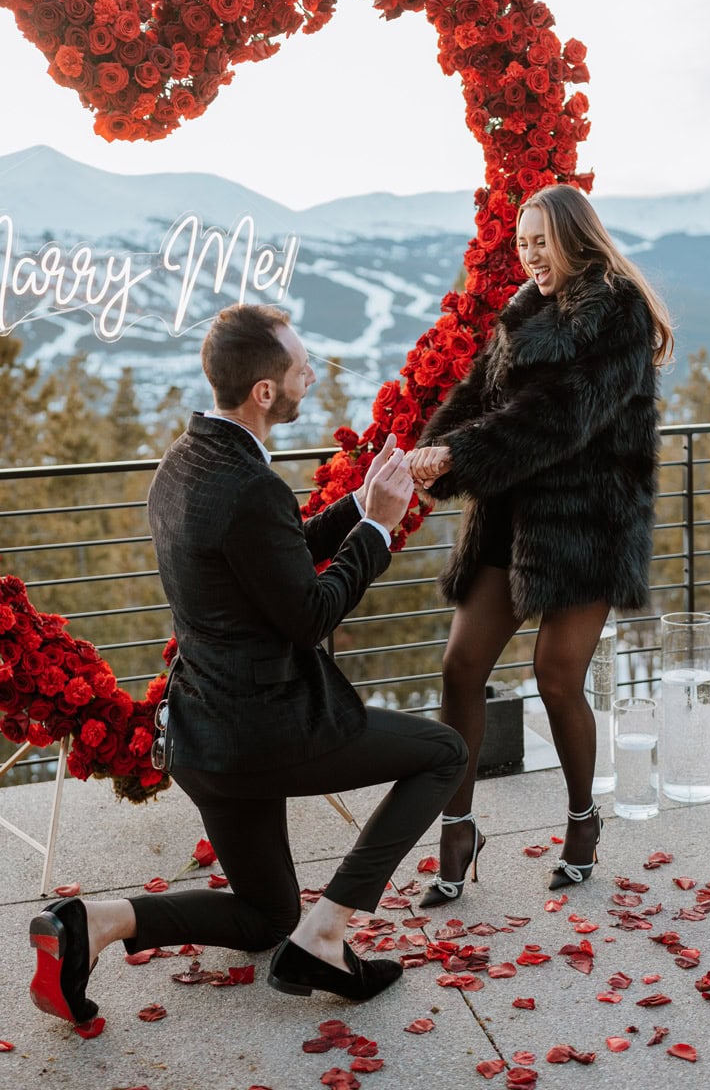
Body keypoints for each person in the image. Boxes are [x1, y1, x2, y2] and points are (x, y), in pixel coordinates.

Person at [29, 304, 468, 1023]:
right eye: (301, 368)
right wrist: (381, 529)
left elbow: (271, 556)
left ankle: (94, 922)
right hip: (266, 732)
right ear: (266, 392)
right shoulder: (252, 485)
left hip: (204, 735)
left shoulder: (185, 460)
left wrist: (361, 500)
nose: (312, 376)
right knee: (444, 753)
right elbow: (309, 615)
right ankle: (325, 937)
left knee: (264, 915)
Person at [407, 184, 673, 903]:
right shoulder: (523, 311)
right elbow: (479, 395)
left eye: (540, 243)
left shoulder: (617, 312)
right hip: (507, 518)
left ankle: (583, 821)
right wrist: (433, 450)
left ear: (574, 237)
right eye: (522, 245)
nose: (529, 257)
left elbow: (558, 418)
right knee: (460, 668)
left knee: (557, 675)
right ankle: (458, 828)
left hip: (589, 522)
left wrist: (461, 453)